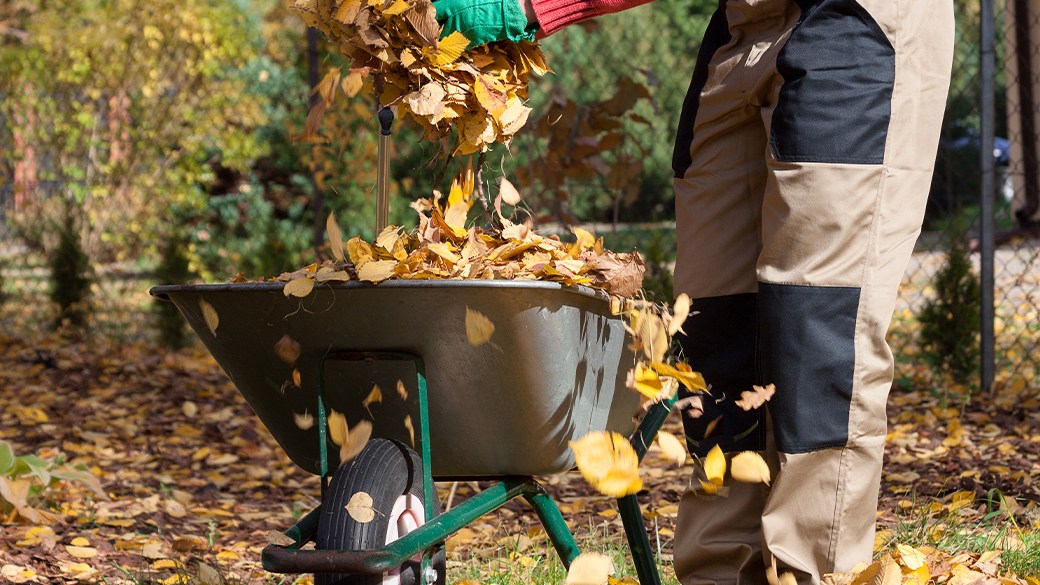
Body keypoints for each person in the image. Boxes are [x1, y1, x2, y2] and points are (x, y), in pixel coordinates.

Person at [434, 1, 955, 584]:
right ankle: (718, 574)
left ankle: (816, 571)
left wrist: (532, 5)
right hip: (745, 27)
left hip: (857, 22)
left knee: (819, 323)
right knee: (717, 330)